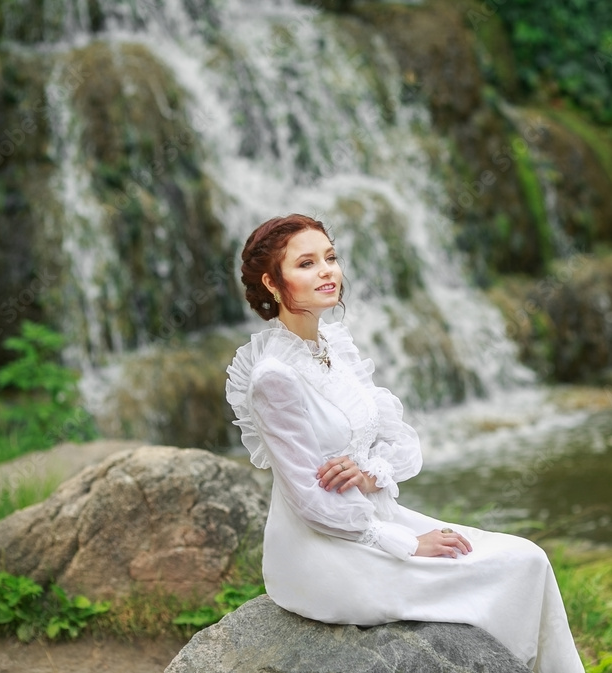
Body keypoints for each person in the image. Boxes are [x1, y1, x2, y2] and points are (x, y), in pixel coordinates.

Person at [225, 213, 584, 672]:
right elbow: (309, 502)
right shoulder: (273, 378)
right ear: (272, 283)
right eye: (306, 264)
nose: (327, 272)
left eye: (330, 258)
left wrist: (371, 470)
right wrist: (406, 544)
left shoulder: (334, 344)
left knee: (530, 559)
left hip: (373, 517)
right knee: (512, 570)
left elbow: (403, 443)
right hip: (322, 551)